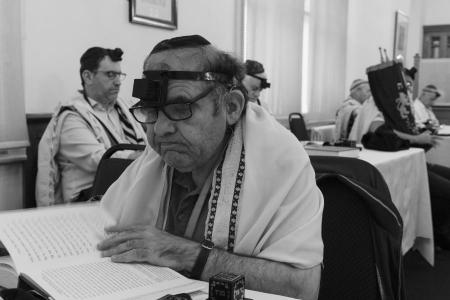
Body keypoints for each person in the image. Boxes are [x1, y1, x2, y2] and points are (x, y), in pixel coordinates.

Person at [98, 35, 324, 299]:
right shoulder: (155, 160)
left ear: (231, 107)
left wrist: (186, 254)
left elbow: (303, 287)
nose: (160, 129)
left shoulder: (281, 160)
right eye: (151, 110)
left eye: (180, 107)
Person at [349, 74, 450, 250]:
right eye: (405, 85)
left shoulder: (394, 102)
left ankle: (436, 228)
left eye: (410, 86)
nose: (408, 90)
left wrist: (418, 136)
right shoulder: (378, 101)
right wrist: (417, 138)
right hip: (389, 162)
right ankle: (438, 233)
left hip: (406, 158)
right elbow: (378, 130)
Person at [36, 47, 147, 206]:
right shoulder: (71, 116)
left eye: (119, 75)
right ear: (87, 76)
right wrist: (143, 156)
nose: (117, 82)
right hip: (87, 199)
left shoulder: (124, 108)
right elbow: (99, 159)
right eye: (110, 75)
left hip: (123, 189)